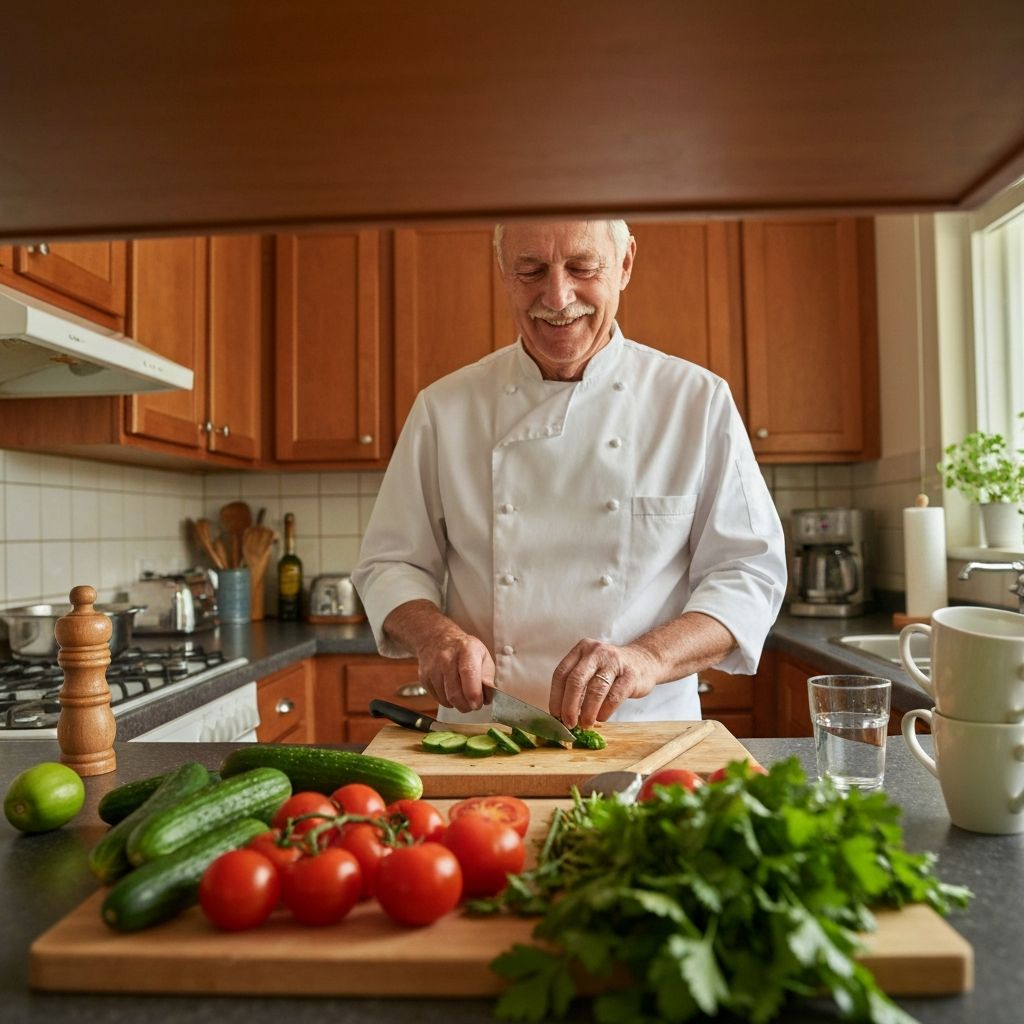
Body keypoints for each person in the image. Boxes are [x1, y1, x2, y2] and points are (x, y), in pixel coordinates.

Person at [353, 219, 787, 729]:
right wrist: (435, 638)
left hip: (643, 732)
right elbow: (389, 564)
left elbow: (748, 573)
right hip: (485, 731)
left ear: (624, 265)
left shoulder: (696, 401)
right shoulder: (444, 409)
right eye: (530, 270)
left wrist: (649, 658)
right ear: (503, 272)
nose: (557, 297)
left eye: (582, 267)